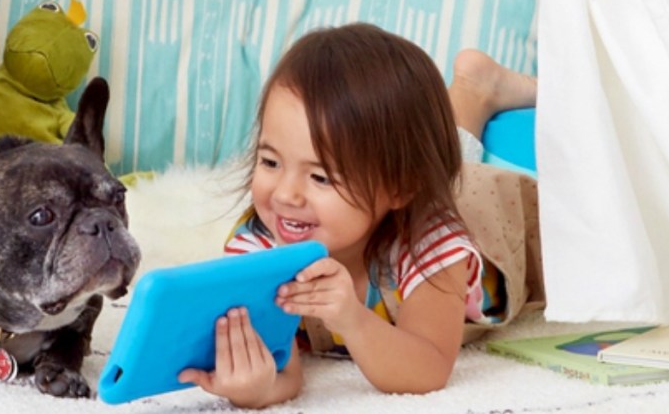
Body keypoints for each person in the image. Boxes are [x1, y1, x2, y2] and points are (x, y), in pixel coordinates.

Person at [177, 23, 539, 408]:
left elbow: (428, 368)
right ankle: (473, 84)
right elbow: (284, 369)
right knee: (439, 155)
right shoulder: (260, 245)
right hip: (399, 190)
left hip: (479, 215)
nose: (285, 194)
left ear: (399, 188)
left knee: (457, 177)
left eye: (320, 176)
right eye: (270, 161)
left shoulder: (433, 245)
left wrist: (351, 317)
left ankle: (475, 90)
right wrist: (259, 387)